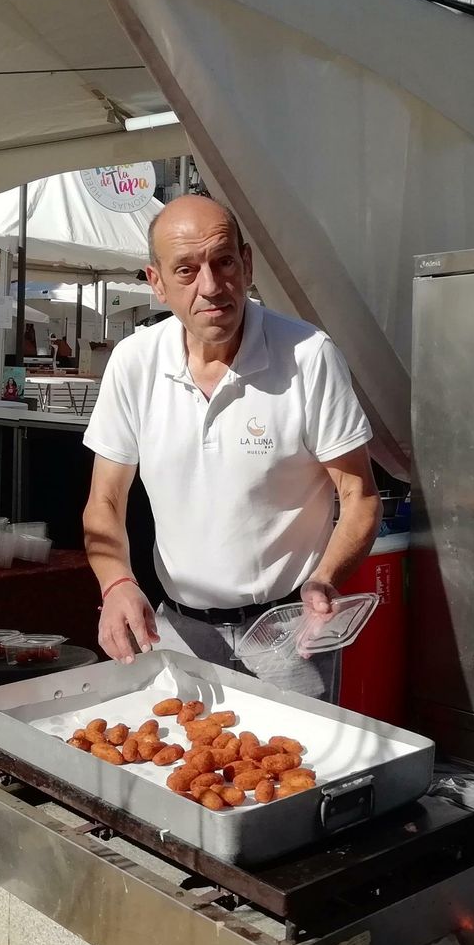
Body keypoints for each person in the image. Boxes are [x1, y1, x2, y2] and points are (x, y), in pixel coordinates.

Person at [82, 195, 380, 701]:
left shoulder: (308, 356)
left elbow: (361, 498)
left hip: (290, 630)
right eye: (185, 270)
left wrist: (326, 579)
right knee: (186, 773)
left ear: (247, 263)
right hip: (178, 629)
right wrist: (116, 585)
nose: (211, 287)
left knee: (296, 774)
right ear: (156, 283)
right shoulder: (134, 362)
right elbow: (105, 501)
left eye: (223, 262)